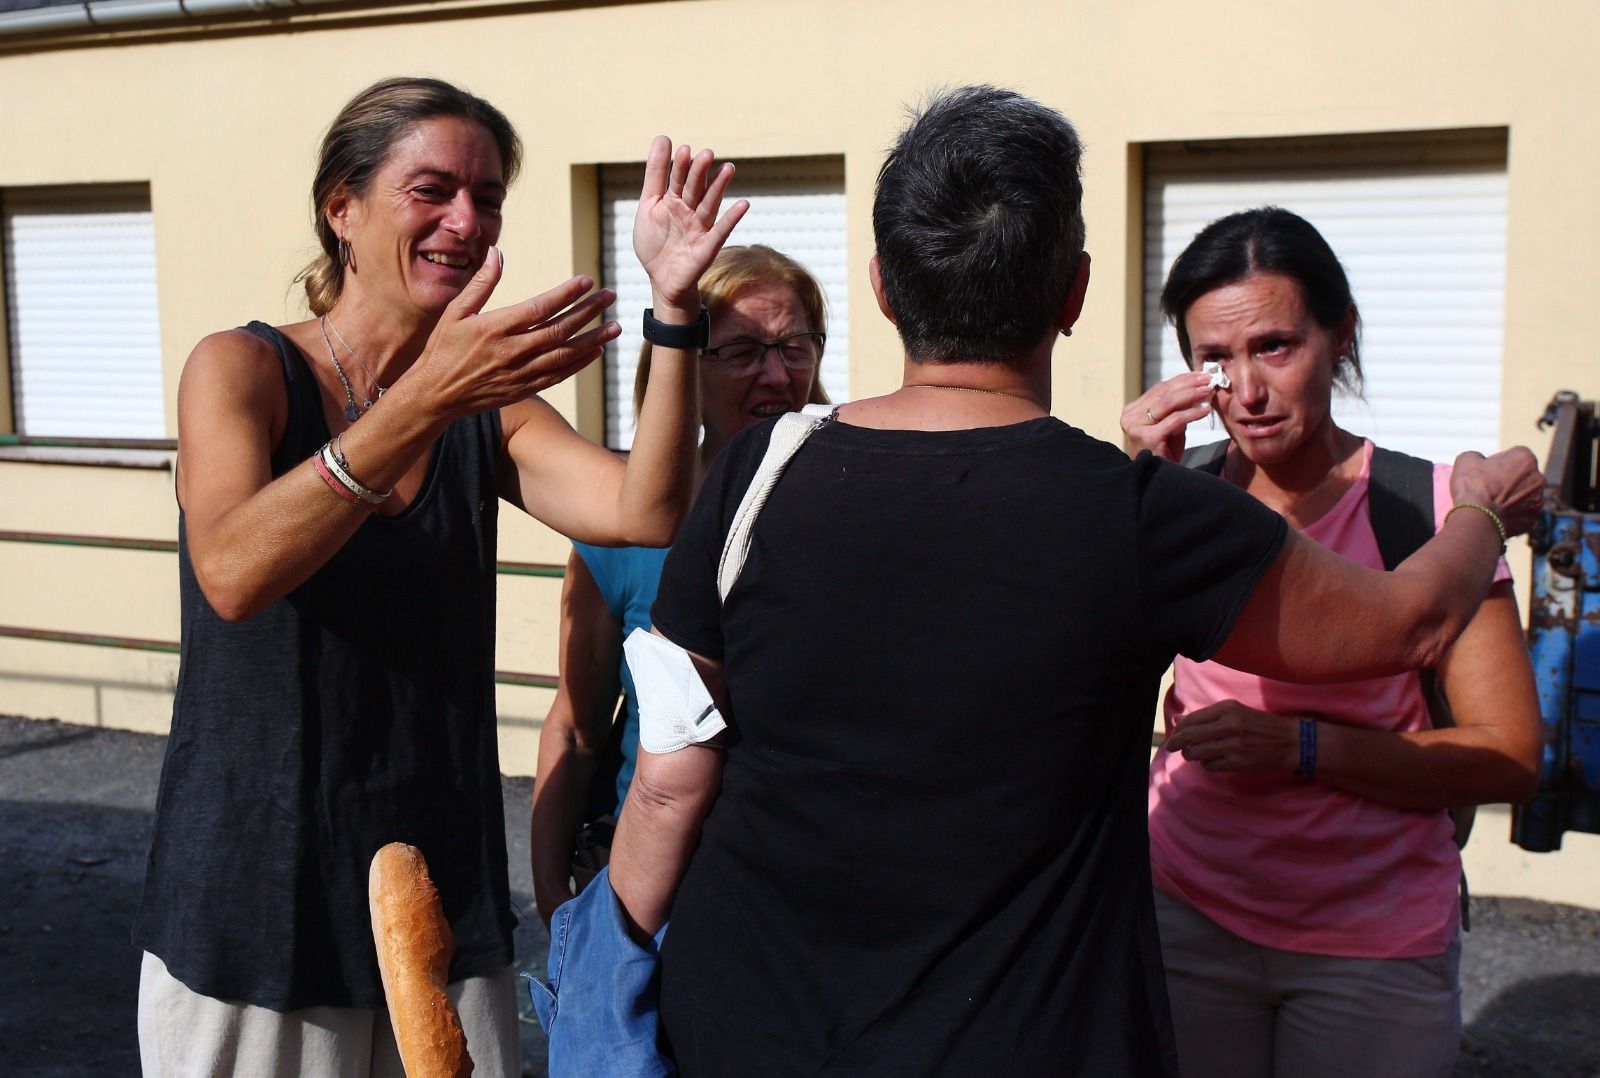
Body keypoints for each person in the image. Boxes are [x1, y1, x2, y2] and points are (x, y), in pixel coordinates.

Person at [551, 85, 1539, 1077]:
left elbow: (671, 779)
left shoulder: (757, 476)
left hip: (750, 1018)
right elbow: (1406, 623)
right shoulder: (1145, 516)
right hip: (1031, 1035)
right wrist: (1481, 509)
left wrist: (599, 985)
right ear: (1072, 291)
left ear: (885, 290)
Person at [132, 75, 747, 1077]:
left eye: (489, 196)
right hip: (259, 905)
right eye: (433, 190)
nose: (467, 220)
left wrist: (672, 312)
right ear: (342, 209)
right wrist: (420, 402)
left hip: (440, 899)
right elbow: (234, 571)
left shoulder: (480, 405)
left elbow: (647, 508)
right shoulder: (240, 371)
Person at [1123, 207, 1541, 1078]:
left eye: (1275, 346)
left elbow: (1508, 757)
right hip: (1185, 910)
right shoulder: (1176, 496)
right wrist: (1128, 502)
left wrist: (1302, 745)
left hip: (1371, 944)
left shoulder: (1429, 511)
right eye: (1215, 359)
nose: (1246, 390)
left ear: (1339, 337)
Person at [529, 244, 831, 922]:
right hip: (654, 892)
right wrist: (552, 893)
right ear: (684, 367)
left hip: (802, 889)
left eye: (795, 347)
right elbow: (577, 729)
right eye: (744, 352)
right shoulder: (620, 530)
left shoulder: (854, 507)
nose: (778, 375)